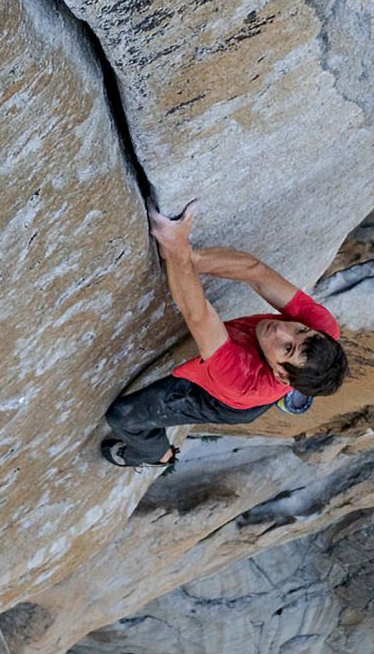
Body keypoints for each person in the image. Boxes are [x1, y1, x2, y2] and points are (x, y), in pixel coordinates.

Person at [101, 200, 347, 470]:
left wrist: (175, 250)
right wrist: (191, 259)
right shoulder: (323, 329)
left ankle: (156, 455)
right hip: (268, 383)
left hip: (222, 400)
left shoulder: (241, 379)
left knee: (123, 416)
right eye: (299, 330)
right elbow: (256, 272)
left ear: (280, 374)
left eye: (287, 348)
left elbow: (198, 315)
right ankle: (293, 383)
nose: (281, 329)